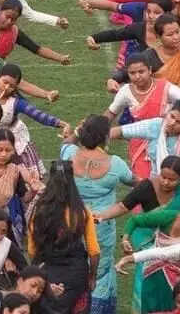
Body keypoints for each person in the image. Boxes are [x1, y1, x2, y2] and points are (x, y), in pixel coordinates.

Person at [60, 116, 133, 314]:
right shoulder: (116, 164)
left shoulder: (68, 154)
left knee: (72, 268)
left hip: (71, 224)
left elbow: (66, 143)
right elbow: (135, 182)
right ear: (105, 137)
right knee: (100, 273)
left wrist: (76, 133)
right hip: (101, 226)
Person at [26, 160, 100, 314]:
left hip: (47, 274)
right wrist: (92, 277)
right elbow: (94, 251)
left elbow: (32, 250)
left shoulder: (38, 210)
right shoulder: (81, 211)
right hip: (76, 274)